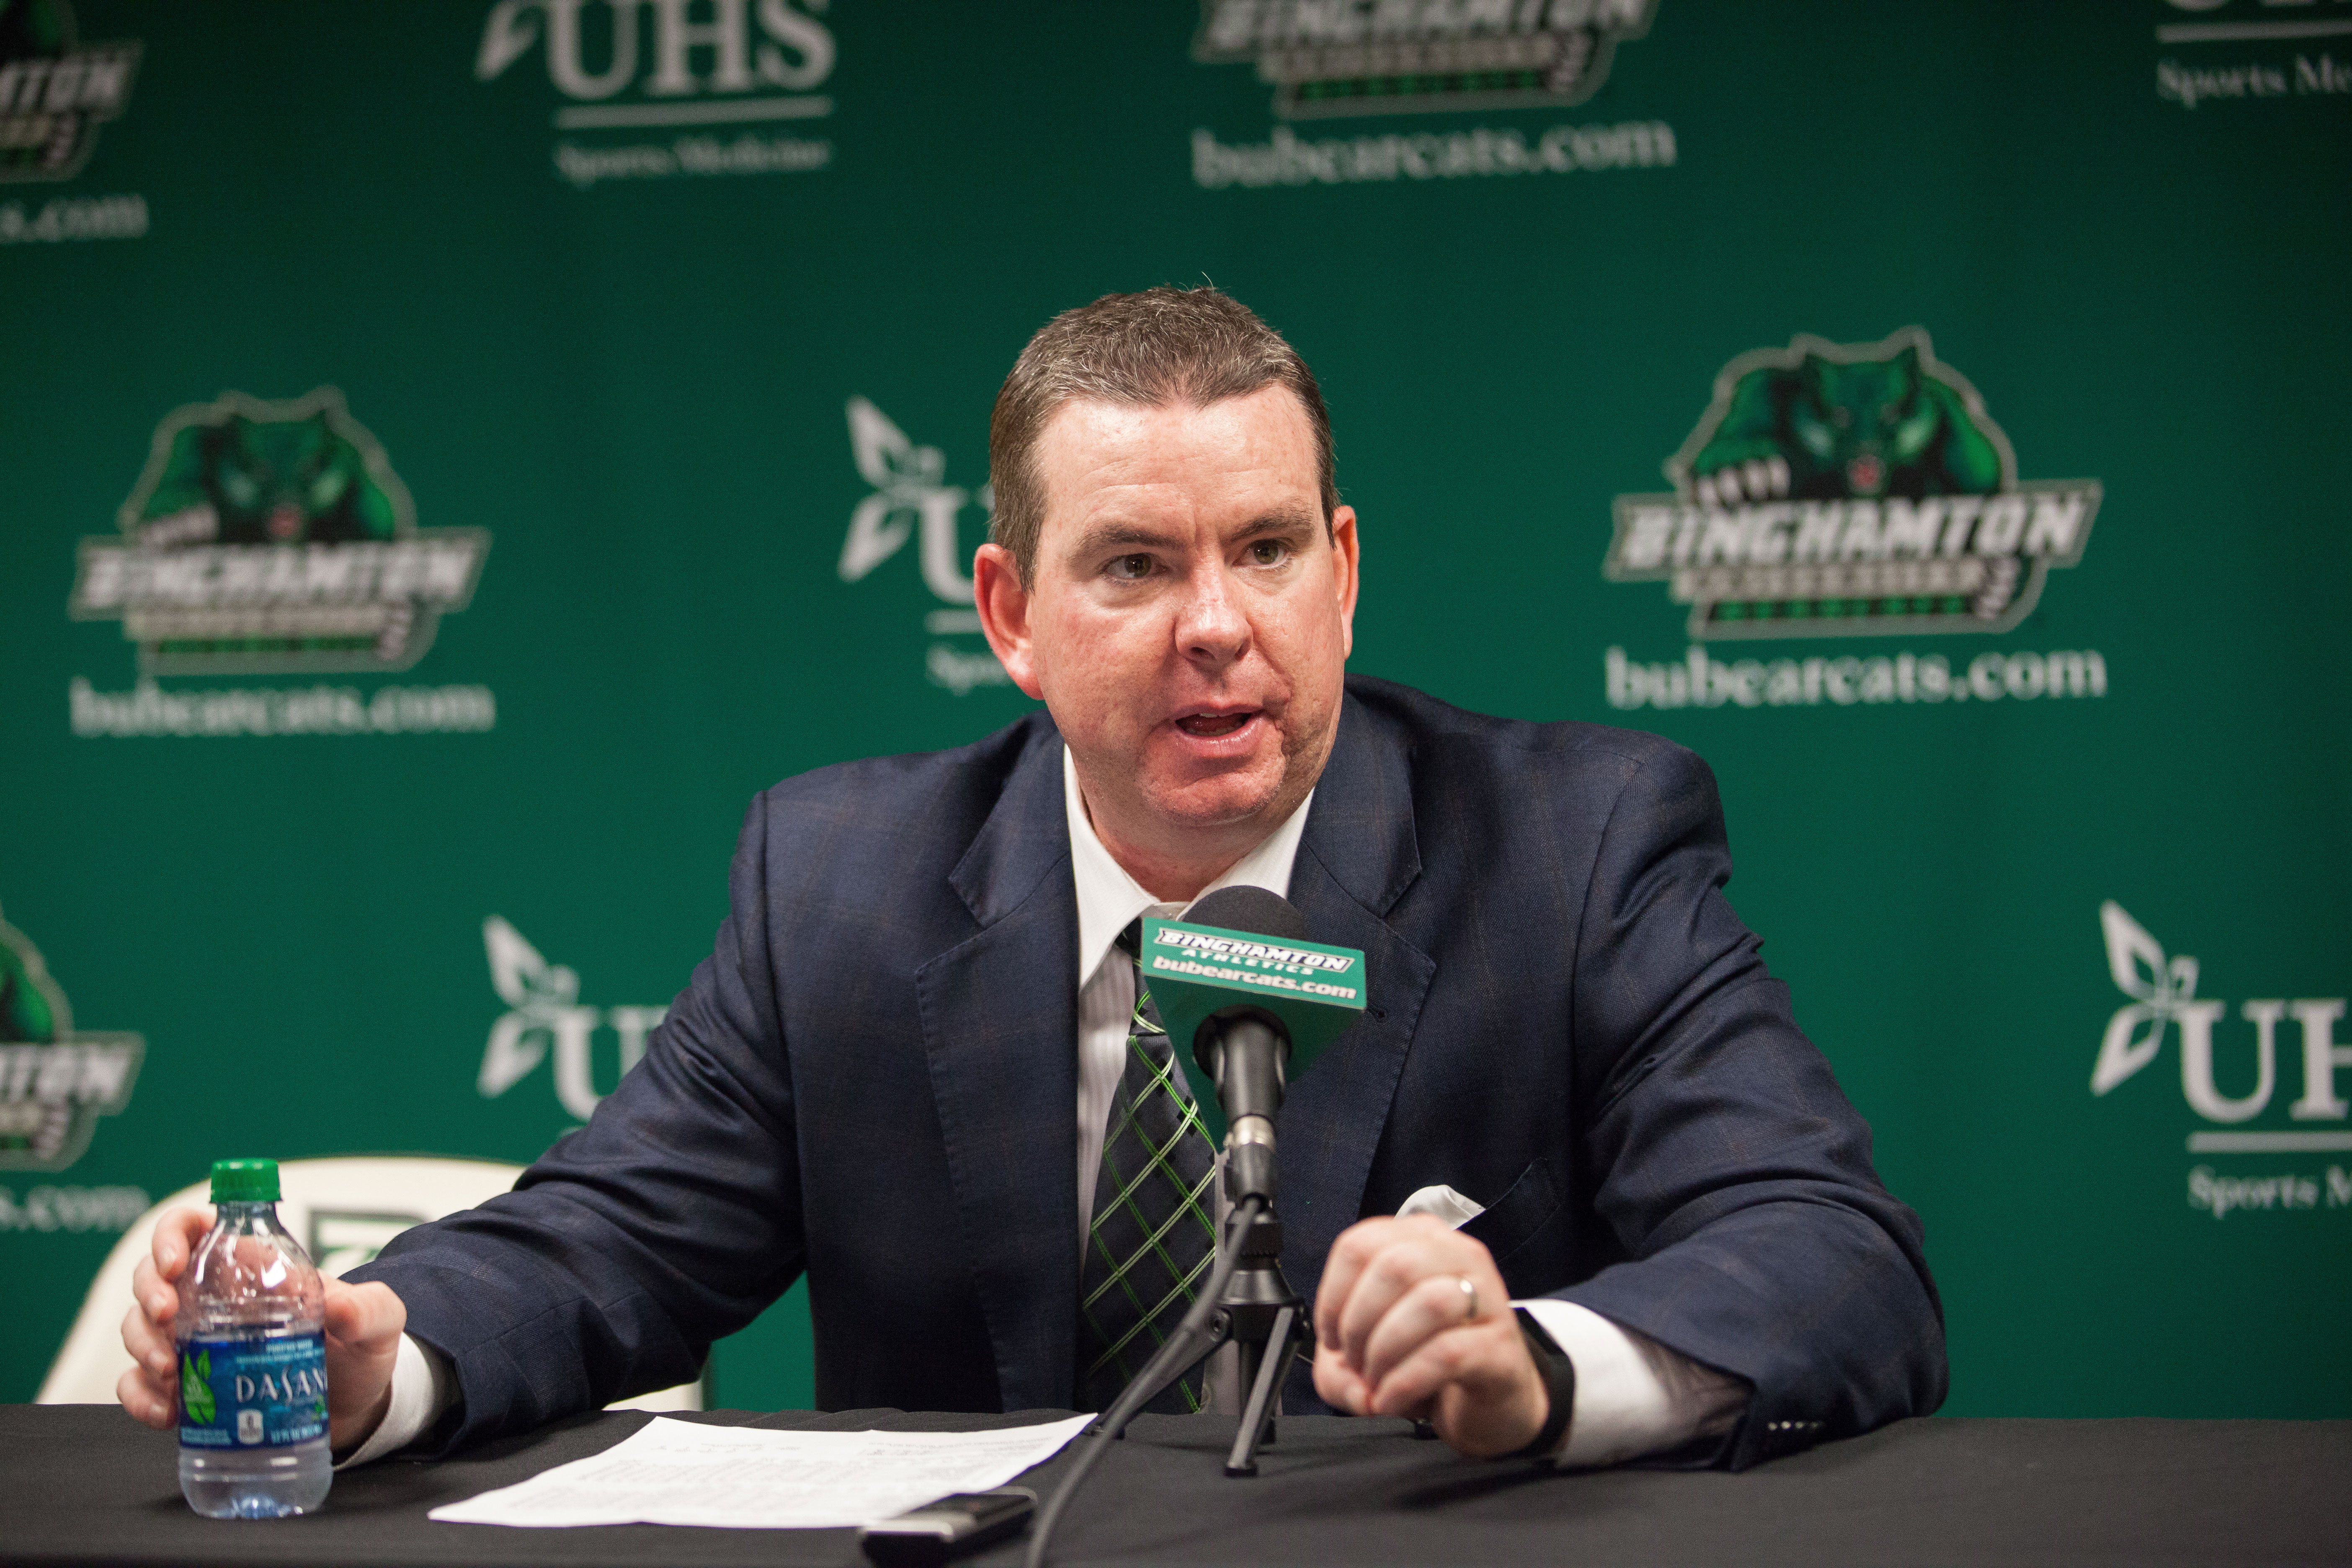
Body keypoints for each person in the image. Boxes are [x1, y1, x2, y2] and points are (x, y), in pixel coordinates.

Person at [119, 287, 1945, 1470]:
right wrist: (379, 1361)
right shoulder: (841, 880)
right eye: (1136, 566)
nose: (1218, 626)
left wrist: (1538, 1368)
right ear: (1009, 614)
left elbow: (1836, 1258)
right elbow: (611, 1238)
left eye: (1267, 550)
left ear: (1345, 573)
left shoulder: (1574, 845)